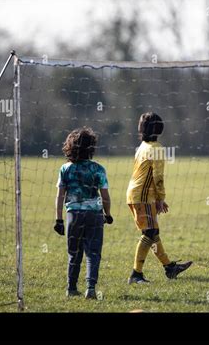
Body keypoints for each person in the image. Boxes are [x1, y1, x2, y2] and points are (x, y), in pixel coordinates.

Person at [126, 112, 192, 284]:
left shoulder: (142, 146)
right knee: (149, 232)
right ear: (159, 128)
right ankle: (136, 274)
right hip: (143, 196)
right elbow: (157, 177)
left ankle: (170, 268)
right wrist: (160, 198)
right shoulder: (157, 149)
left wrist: (155, 198)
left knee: (153, 233)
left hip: (136, 193)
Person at [54, 127, 113, 299]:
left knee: (74, 252)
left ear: (70, 147)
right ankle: (91, 288)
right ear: (91, 148)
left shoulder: (65, 169)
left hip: (73, 215)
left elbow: (60, 195)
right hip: (94, 215)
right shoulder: (98, 169)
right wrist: (107, 214)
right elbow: (105, 196)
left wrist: (59, 219)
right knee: (93, 253)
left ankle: (71, 288)